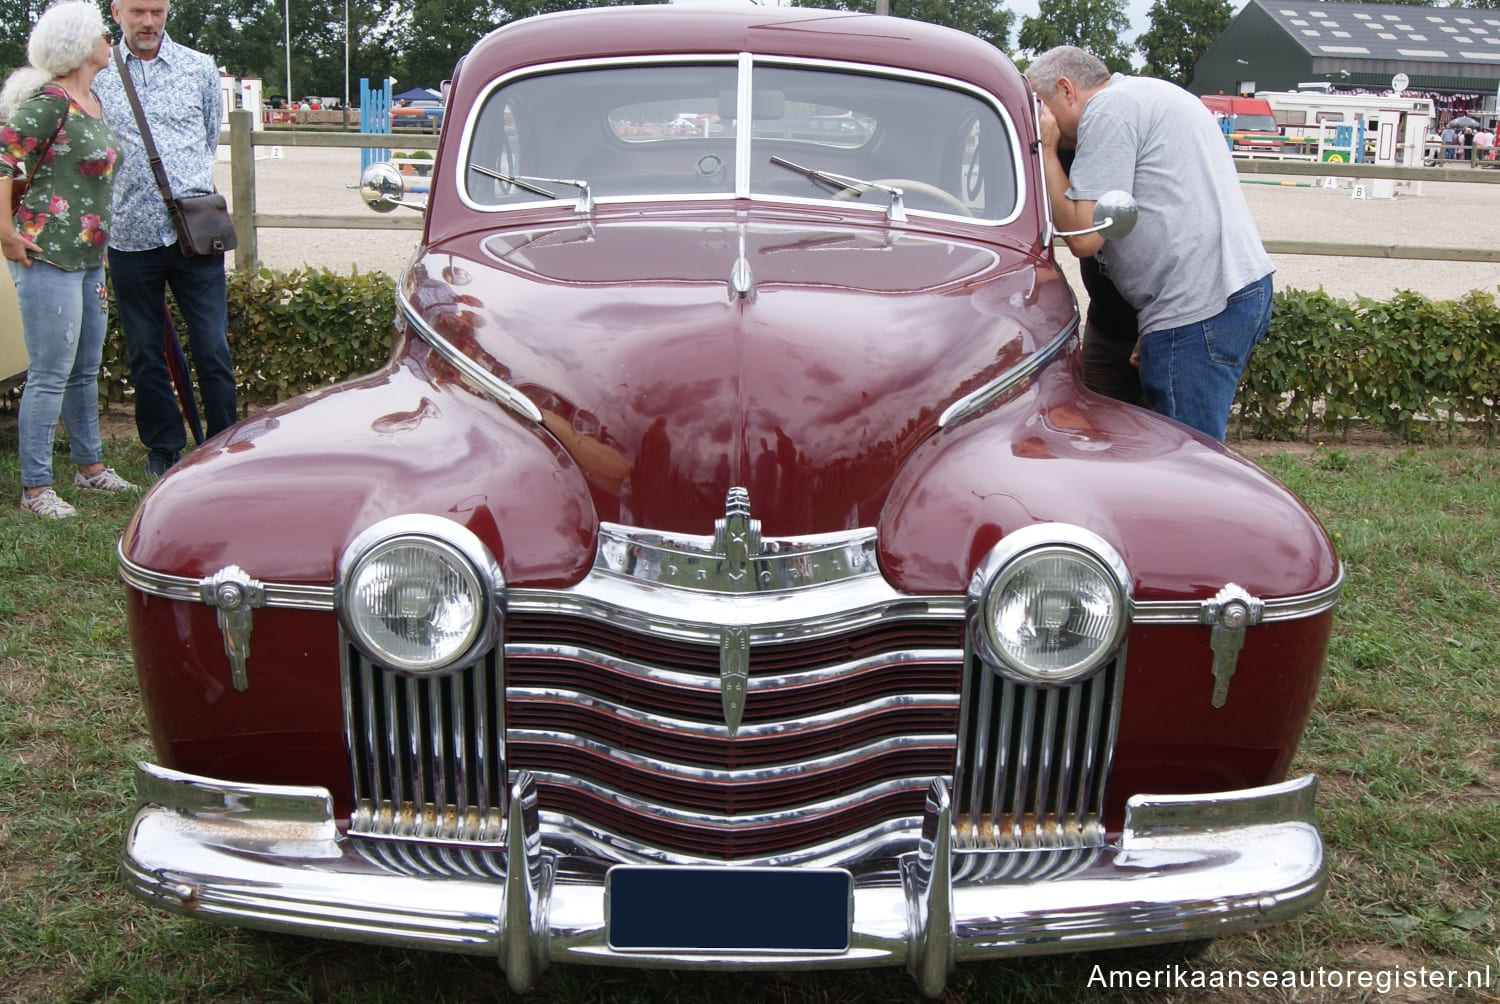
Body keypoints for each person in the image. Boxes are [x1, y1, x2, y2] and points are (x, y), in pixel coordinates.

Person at [1026, 47, 1274, 442]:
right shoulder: (1153, 95)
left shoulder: (1108, 111)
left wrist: (1048, 151)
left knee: (1185, 457)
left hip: (1197, 305)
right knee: (1181, 448)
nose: (1041, 121)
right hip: (1216, 293)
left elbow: (1085, 237)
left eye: (1042, 107)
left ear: (1065, 89)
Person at [1, 0, 139, 518]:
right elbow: (3, 157)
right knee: (50, 371)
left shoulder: (93, 101)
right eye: (104, 33)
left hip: (88, 257)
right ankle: (36, 488)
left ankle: (90, 469)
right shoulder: (51, 100)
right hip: (49, 255)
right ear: (81, 44)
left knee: (84, 369)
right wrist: (5, 232)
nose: (111, 40)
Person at [94, 0, 236, 479]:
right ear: (116, 12)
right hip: (130, 235)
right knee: (144, 349)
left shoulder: (199, 68)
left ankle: (223, 443)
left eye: (157, 11)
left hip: (194, 233)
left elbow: (206, 141)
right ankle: (164, 447)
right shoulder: (99, 73)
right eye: (138, 11)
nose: (149, 22)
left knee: (211, 344)